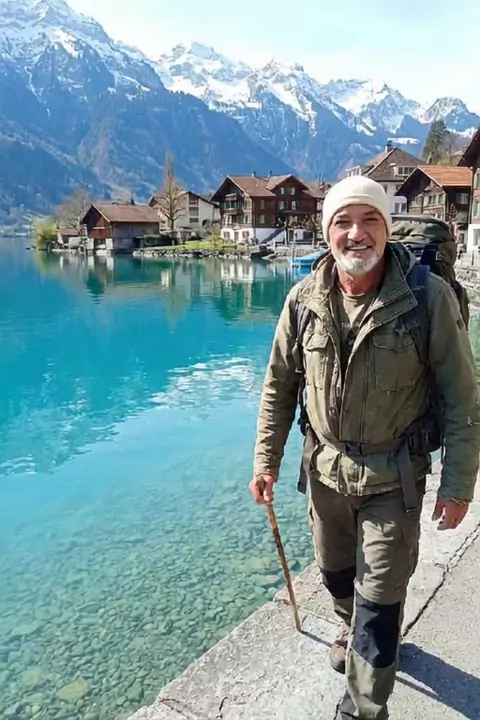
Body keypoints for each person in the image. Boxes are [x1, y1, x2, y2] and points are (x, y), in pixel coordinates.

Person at [249, 176, 480, 720]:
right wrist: (265, 461)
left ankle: (364, 705)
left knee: (379, 599)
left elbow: (462, 398)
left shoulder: (427, 299)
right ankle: (350, 628)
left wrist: (458, 486)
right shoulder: (303, 300)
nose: (357, 233)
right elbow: (279, 387)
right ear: (326, 232)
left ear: (386, 228)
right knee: (335, 576)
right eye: (343, 222)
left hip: (393, 477)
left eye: (370, 219)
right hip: (324, 473)